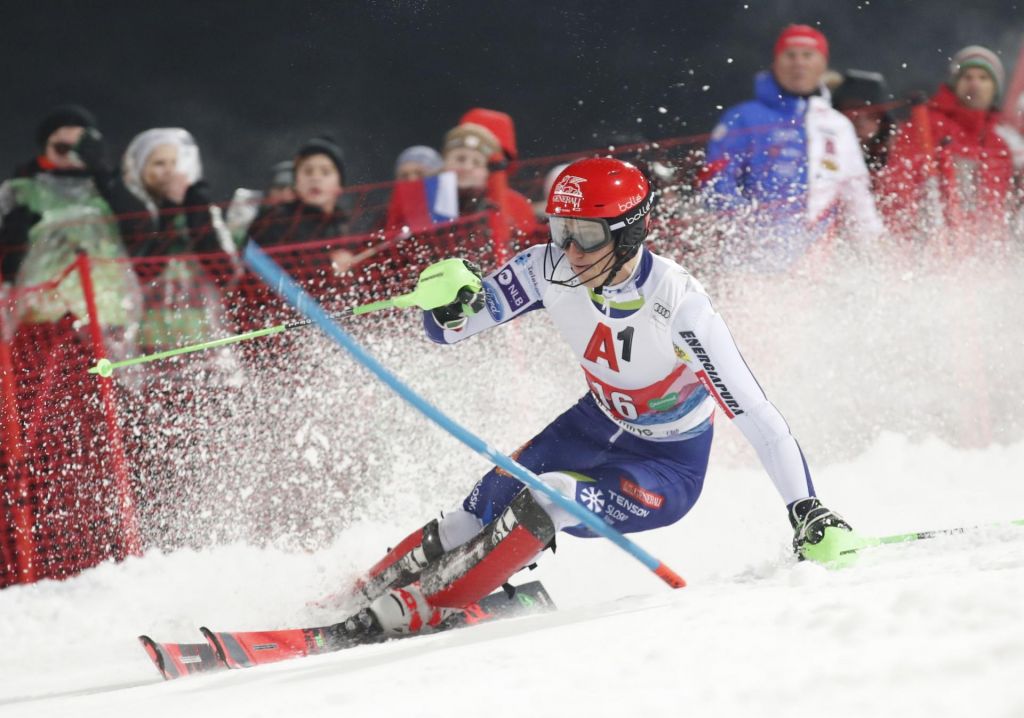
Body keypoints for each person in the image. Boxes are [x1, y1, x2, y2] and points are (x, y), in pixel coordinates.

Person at [326, 157, 862, 643]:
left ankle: (426, 604)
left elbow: (755, 414)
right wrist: (445, 303)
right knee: (477, 510)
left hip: (665, 467)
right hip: (590, 427)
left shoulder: (680, 307)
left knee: (549, 496)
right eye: (560, 230)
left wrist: (805, 509)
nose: (570, 251)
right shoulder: (546, 268)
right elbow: (451, 330)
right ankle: (353, 597)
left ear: (628, 234)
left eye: (585, 235)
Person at [703, 25, 884, 270]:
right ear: (775, 63)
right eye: (790, 55)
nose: (799, 63)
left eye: (808, 55)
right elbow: (715, 179)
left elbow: (857, 195)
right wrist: (743, 228)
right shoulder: (743, 117)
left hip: (815, 265)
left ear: (822, 64)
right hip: (749, 261)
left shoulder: (837, 124)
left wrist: (877, 254)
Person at [0, 104, 139, 327]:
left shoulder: (107, 189)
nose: (71, 156)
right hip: (43, 312)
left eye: (81, 148)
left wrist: (102, 172)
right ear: (45, 146)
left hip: (106, 310)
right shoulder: (21, 190)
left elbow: (141, 228)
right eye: (62, 148)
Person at [879, 45, 1014, 241]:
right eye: (967, 77)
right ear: (954, 84)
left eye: (983, 78)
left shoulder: (999, 146)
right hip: (926, 241)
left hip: (973, 249)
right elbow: (898, 182)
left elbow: (997, 209)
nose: (974, 85)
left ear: (995, 89)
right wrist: (906, 234)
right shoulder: (926, 125)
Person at [247, 136, 350, 248]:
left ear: (339, 185)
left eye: (325, 172)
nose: (315, 178)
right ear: (295, 183)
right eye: (308, 172)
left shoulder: (345, 225)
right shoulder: (277, 221)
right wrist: (328, 261)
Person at [831, 69, 895, 174]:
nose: (861, 119)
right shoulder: (817, 152)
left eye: (871, 114)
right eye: (852, 111)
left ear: (884, 123)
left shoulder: (896, 164)